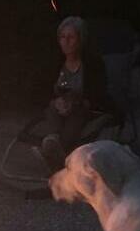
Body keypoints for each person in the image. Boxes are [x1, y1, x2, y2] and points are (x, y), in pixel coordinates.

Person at [39, 16, 110, 172]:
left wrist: (76, 102)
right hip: (59, 108)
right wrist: (56, 101)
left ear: (80, 40)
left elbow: (99, 93)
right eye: (62, 37)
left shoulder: (92, 64)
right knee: (52, 108)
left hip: (83, 107)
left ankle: (56, 151)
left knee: (76, 114)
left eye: (71, 37)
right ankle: (53, 141)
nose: (66, 42)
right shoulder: (56, 62)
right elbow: (43, 89)